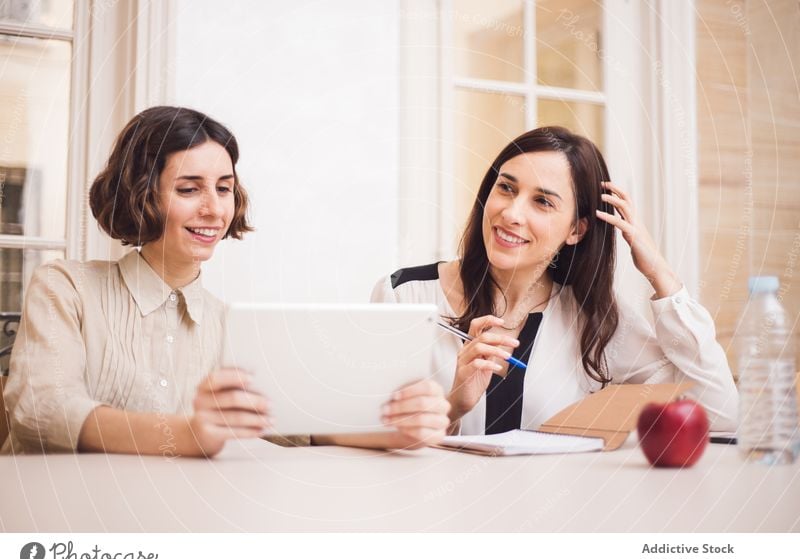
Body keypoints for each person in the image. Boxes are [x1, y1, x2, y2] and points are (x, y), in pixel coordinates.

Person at [1, 106, 449, 456]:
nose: (215, 210)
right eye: (188, 188)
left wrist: (394, 431)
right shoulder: (65, 288)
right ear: (140, 195)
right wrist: (186, 434)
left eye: (224, 188)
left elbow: (293, 426)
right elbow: (41, 408)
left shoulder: (227, 324)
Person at [372, 126, 738, 436]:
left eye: (543, 202)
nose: (511, 213)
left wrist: (661, 274)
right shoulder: (405, 295)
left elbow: (718, 413)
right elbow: (351, 428)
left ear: (576, 230)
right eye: (506, 188)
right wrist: (454, 406)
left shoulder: (595, 322)